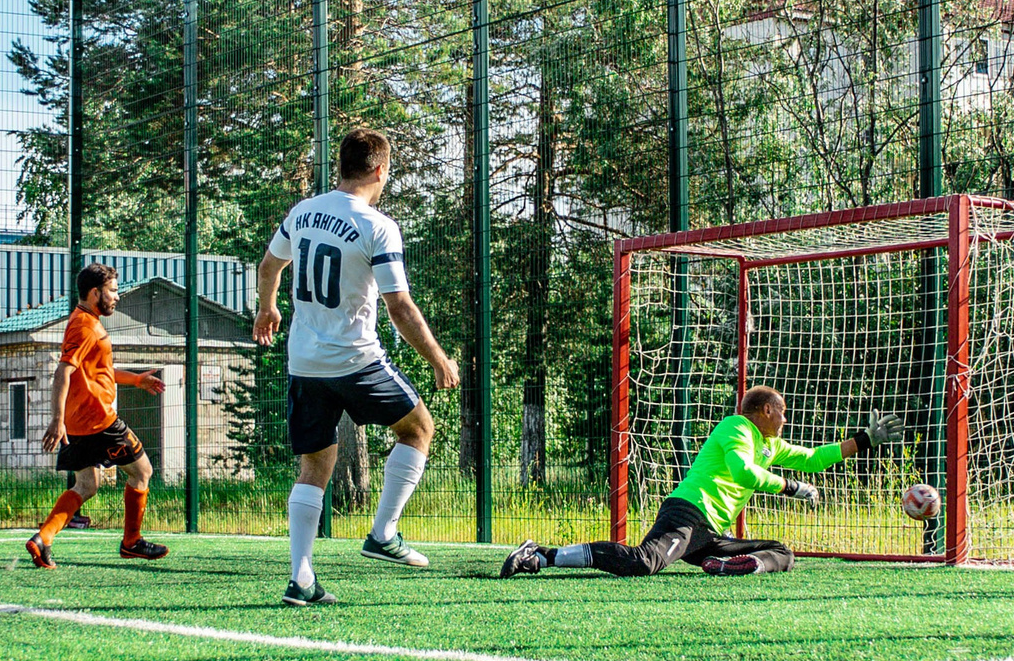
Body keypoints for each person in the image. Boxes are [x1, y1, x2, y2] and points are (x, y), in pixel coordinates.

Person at [255, 126, 460, 607]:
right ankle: (383, 533)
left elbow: (269, 266)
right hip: (356, 361)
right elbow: (400, 307)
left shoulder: (303, 212)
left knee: (315, 466)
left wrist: (267, 307)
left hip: (304, 362)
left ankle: (301, 580)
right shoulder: (377, 225)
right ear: (380, 170)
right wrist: (438, 358)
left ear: (341, 167)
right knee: (418, 429)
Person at [499, 386, 883, 579]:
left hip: (709, 531)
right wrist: (791, 488)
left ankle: (732, 564)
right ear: (767, 410)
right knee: (643, 562)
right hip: (688, 512)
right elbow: (743, 474)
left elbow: (814, 458)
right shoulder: (738, 427)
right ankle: (542, 555)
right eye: (782, 413)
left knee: (783, 552)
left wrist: (863, 441)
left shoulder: (770, 443)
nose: (785, 420)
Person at [25, 263, 170, 569]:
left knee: (87, 485)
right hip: (99, 421)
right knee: (142, 471)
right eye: (113, 291)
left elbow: (99, 372)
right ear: (95, 292)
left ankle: (43, 539)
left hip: (78, 426)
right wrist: (56, 418)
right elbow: (63, 370)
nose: (117, 297)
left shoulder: (83, 322)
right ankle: (131, 542)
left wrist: (136, 380)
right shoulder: (85, 327)